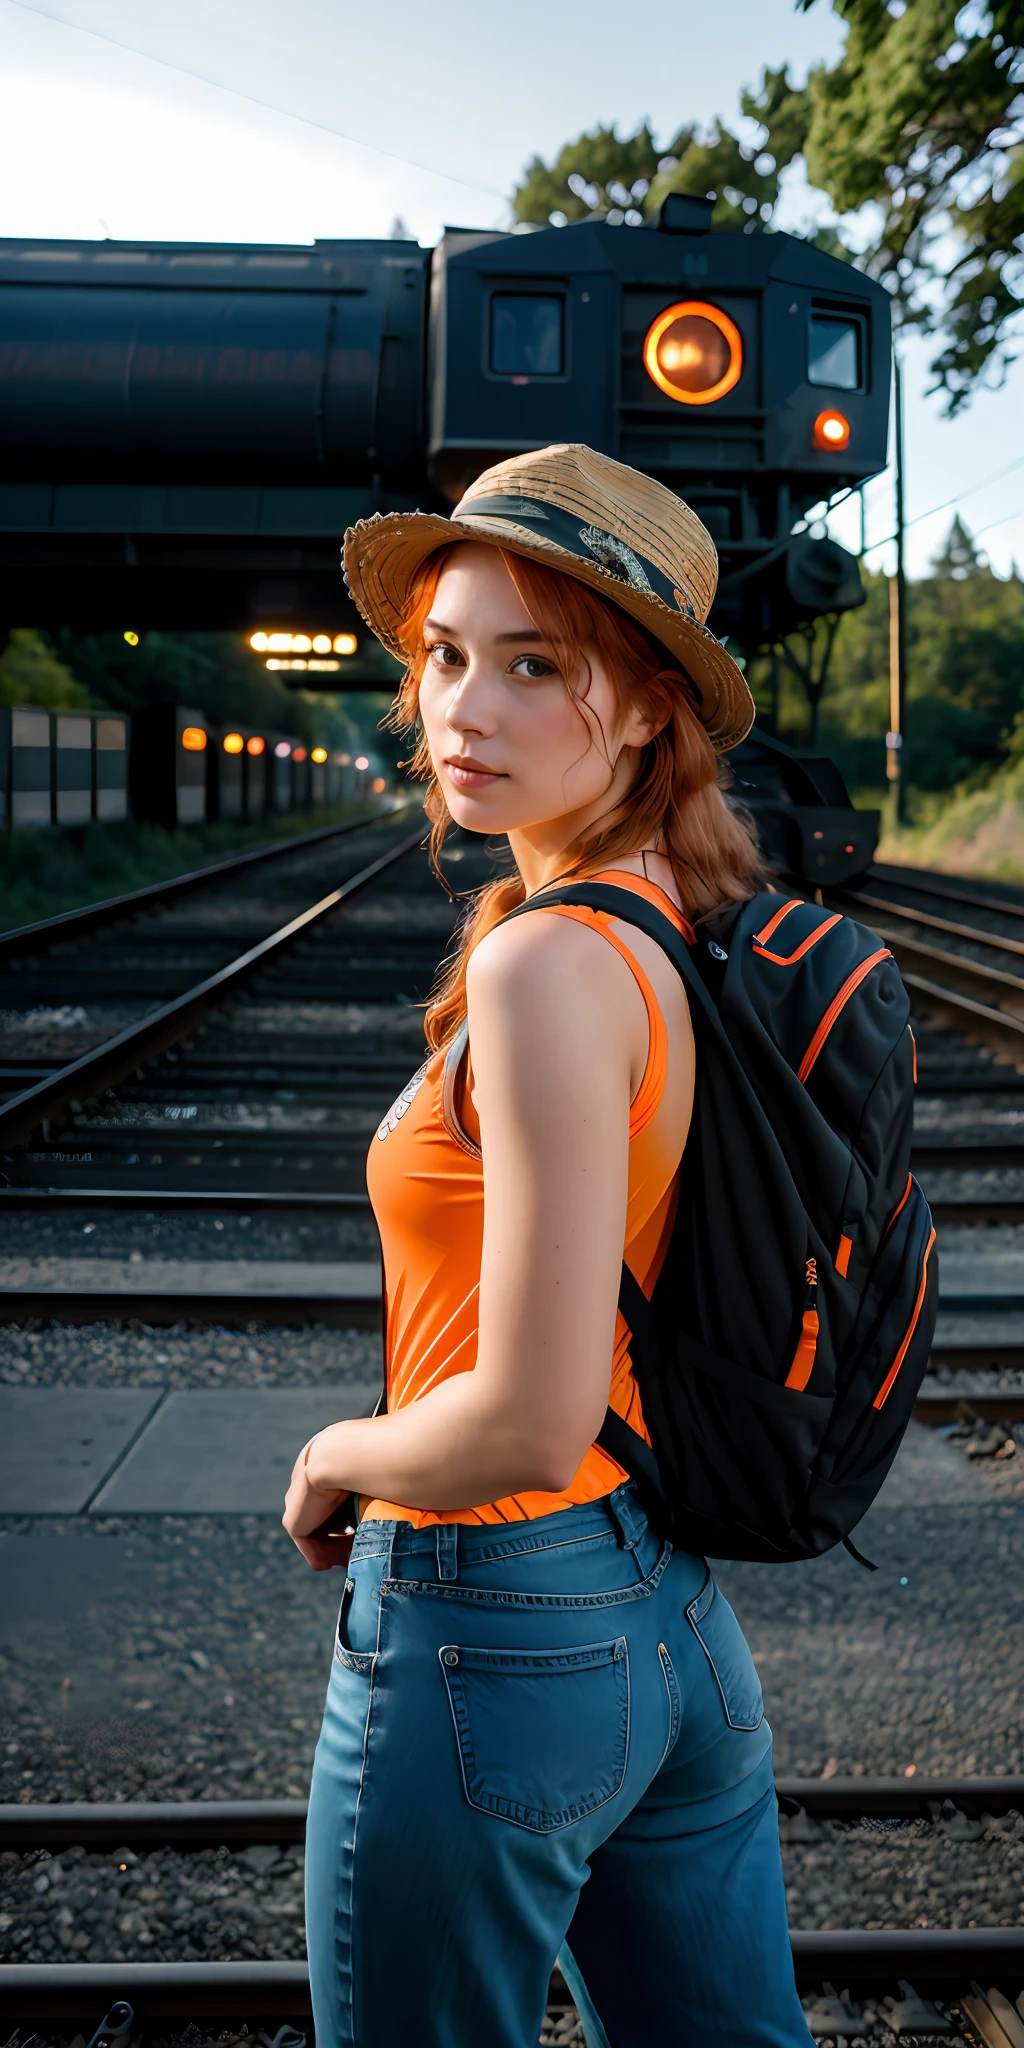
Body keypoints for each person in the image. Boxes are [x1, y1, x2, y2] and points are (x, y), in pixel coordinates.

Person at [283, 445, 813, 2048]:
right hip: (667, 1620)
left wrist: (334, 1454)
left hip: (490, 1623)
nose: (465, 710)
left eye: (534, 667)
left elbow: (527, 1408)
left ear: (649, 708)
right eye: (446, 655)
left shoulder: (543, 969)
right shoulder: (667, 919)